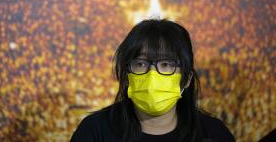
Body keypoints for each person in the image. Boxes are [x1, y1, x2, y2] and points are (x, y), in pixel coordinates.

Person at [71, 19, 235, 142]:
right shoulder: (95, 131)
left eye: (165, 64)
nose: (152, 75)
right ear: (127, 75)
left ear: (186, 79)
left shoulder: (213, 134)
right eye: (140, 64)